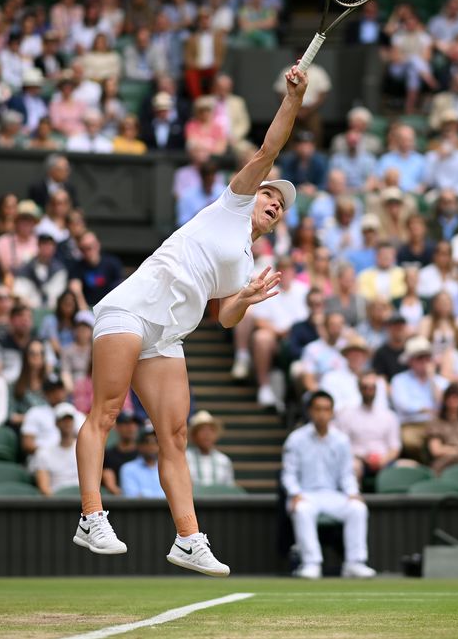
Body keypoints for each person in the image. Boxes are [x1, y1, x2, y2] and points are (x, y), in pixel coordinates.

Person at [71, 65, 308, 576]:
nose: (274, 204)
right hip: (132, 309)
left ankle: (188, 538)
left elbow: (225, 319)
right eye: (270, 195)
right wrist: (293, 99)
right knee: (106, 412)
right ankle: (91, 515)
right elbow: (268, 150)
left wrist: (246, 297)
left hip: (167, 337)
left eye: (280, 206)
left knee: (175, 435)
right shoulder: (231, 206)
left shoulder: (244, 261)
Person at [282, 391, 376, 579]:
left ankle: (355, 562)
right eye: (317, 409)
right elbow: (289, 474)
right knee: (302, 509)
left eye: (326, 409)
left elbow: (346, 474)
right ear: (310, 411)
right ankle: (311, 563)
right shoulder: (296, 439)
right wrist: (295, 493)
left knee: (358, 508)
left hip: (332, 495)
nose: (322, 414)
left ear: (332, 412)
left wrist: (352, 492)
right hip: (306, 495)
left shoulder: (341, 440)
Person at [389, 336, 447, 460]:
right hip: (411, 424)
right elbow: (402, 405)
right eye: (420, 358)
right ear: (410, 361)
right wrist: (423, 409)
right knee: (410, 441)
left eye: (427, 357)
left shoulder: (440, 381)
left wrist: (431, 378)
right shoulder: (399, 380)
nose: (424, 361)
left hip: (438, 424)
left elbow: (444, 403)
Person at [33, 403, 82, 496]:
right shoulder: (44, 453)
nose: (67, 423)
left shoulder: (85, 450)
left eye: (70, 419)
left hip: (83, 500)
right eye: (63, 420)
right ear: (56, 423)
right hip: (57, 501)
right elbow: (44, 487)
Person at [185, 410, 235, 488]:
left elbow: (229, 488)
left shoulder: (224, 461)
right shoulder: (185, 458)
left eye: (210, 430)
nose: (207, 434)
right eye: (202, 430)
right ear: (194, 435)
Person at [119, 426, 164, 499]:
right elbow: (132, 497)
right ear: (139, 445)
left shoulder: (167, 468)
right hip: (139, 507)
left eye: (156, 441)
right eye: (147, 441)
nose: (152, 445)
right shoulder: (128, 468)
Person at [102, 413, 141, 495]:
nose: (131, 428)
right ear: (117, 427)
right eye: (126, 423)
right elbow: (111, 485)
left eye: (134, 424)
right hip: (120, 499)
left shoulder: (144, 453)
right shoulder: (108, 454)